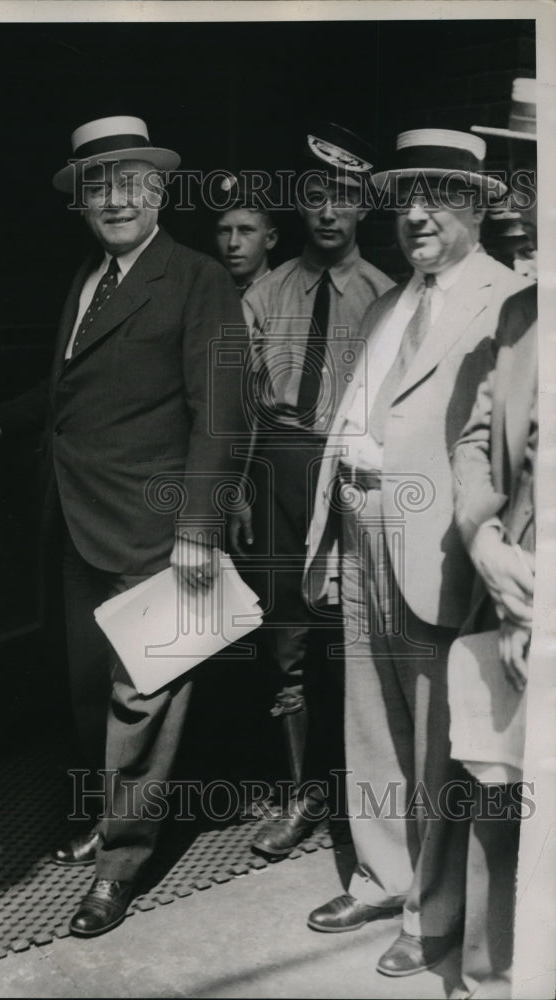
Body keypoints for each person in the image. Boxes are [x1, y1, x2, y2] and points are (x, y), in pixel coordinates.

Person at [0, 115, 245, 937]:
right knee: (91, 694)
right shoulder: (89, 277)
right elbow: (73, 392)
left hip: (158, 531)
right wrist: (4, 418)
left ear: (157, 193)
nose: (113, 200)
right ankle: (101, 817)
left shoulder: (197, 281)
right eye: (97, 189)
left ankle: (119, 867)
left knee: (143, 696)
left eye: (129, 184)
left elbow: (223, 416)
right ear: (81, 206)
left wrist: (198, 529)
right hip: (79, 520)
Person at [303, 128, 529, 976]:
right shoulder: (390, 300)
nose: (415, 215)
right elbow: (356, 421)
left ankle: (432, 913)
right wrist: (331, 530)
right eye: (405, 200)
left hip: (442, 547)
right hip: (364, 526)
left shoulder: (510, 303)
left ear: (475, 205)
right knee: (372, 719)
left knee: (442, 737)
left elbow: (506, 448)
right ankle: (379, 871)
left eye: (437, 198)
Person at [231, 123, 393, 858]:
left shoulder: (388, 300)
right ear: (302, 207)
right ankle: (299, 797)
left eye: (345, 199)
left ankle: (361, 795)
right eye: (318, 198)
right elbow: (233, 403)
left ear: (363, 208)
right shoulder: (264, 294)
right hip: (275, 471)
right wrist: (236, 487)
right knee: (284, 634)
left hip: (348, 473)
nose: (330, 212)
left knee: (352, 634)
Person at [449, 78, 539, 999]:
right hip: (510, 588)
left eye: (535, 168)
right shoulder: (520, 311)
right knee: (502, 807)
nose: (517, 191)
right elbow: (475, 440)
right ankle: (493, 977)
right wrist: (481, 537)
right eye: (516, 166)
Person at [213, 175, 277, 296]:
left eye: (246, 230)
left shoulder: (286, 295)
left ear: (270, 239)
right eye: (225, 231)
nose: (233, 243)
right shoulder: (205, 295)